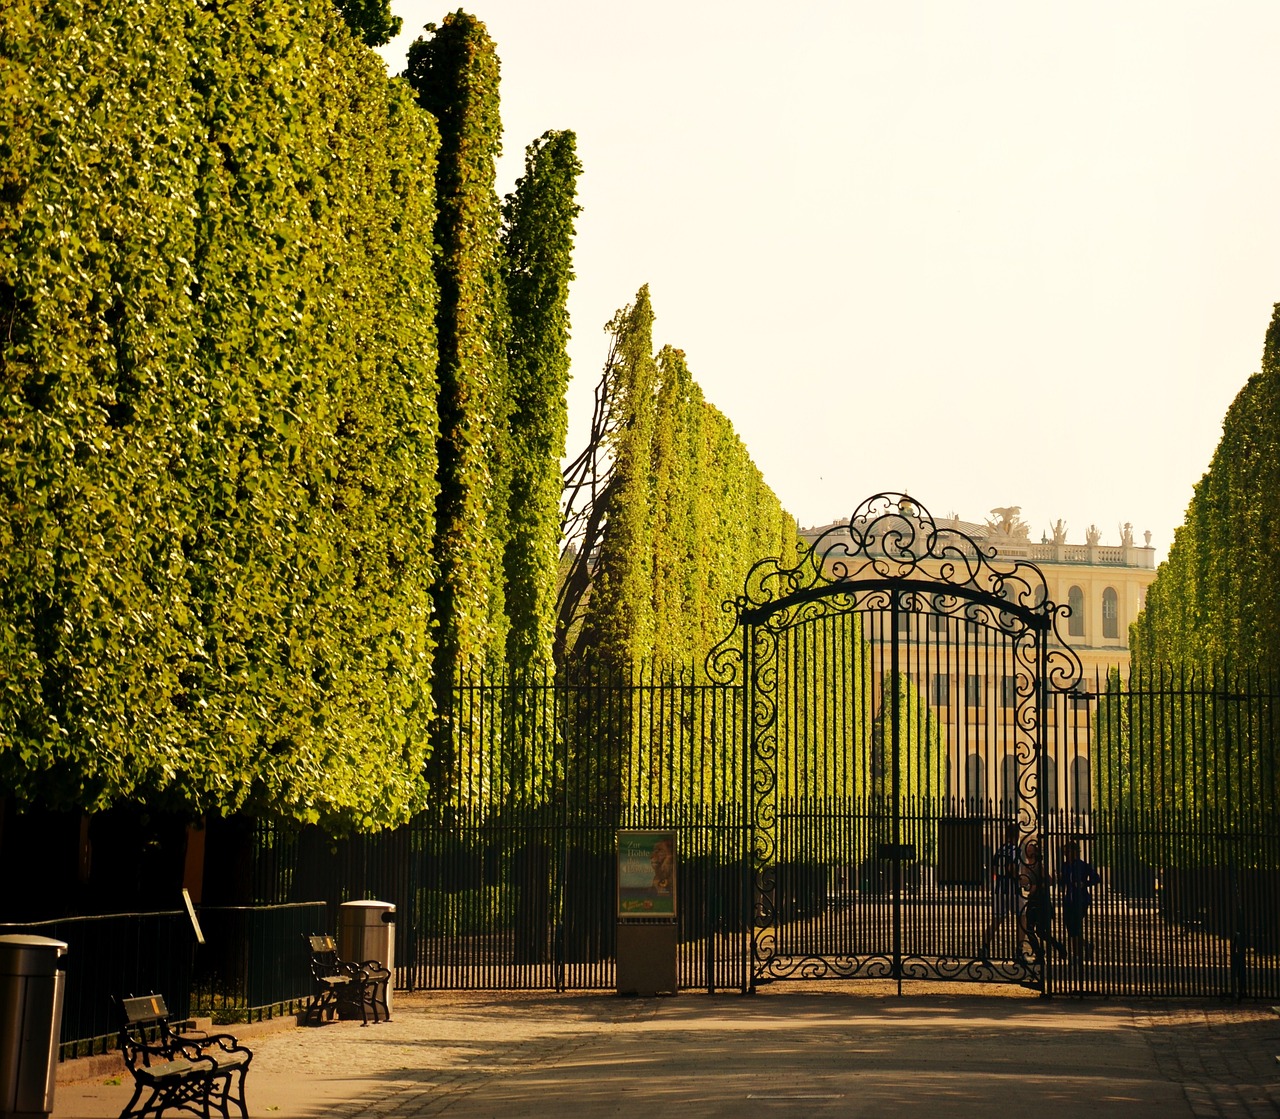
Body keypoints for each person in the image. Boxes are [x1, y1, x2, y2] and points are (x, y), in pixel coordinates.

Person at [979, 822, 1021, 962]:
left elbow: (994, 870)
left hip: (998, 888)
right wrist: (1020, 878)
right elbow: (1012, 868)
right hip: (1011, 887)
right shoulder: (1016, 850)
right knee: (1023, 916)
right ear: (1017, 835)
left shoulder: (1000, 850)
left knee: (997, 920)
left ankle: (984, 947)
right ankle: (1019, 950)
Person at [1018, 840, 1065, 963]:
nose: (1028, 850)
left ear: (1035, 851)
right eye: (1027, 849)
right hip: (1032, 900)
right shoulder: (1025, 866)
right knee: (1029, 928)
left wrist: (1038, 886)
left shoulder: (1039, 866)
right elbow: (1024, 882)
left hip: (1042, 900)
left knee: (1041, 931)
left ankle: (1058, 947)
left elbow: (1050, 881)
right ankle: (1039, 954)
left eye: (1031, 849)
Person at [1059, 840, 1101, 964]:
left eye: (1068, 851)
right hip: (1068, 899)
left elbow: (1096, 878)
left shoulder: (1083, 865)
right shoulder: (1065, 865)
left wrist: (1084, 883)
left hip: (1081, 899)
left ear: (1075, 852)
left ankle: (1077, 955)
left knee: (1075, 927)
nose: (1066, 854)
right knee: (1070, 928)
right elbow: (1064, 882)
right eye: (1065, 851)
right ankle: (1084, 947)